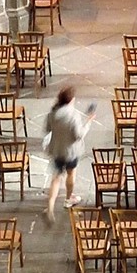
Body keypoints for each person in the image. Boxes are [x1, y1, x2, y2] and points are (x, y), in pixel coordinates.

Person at [42, 86, 96, 220]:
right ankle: (68, 199)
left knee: (56, 177)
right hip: (71, 150)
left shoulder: (53, 113)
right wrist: (88, 122)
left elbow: (47, 129)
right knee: (71, 173)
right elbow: (79, 135)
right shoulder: (73, 115)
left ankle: (50, 206)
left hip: (56, 148)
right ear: (71, 100)